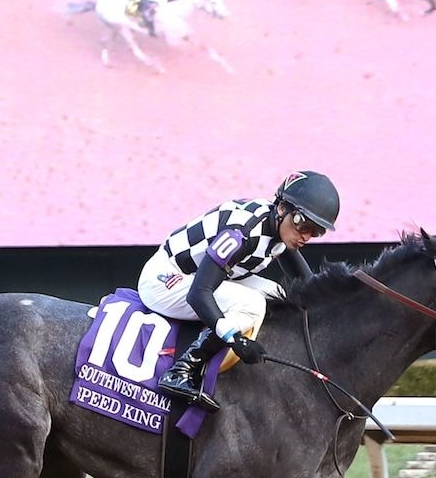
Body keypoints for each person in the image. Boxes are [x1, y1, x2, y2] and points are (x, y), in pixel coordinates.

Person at [137, 171, 340, 411]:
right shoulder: (243, 232)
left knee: (278, 293)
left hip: (202, 277)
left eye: (316, 231)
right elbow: (199, 293)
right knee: (252, 304)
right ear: (282, 207)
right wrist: (235, 340)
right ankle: (183, 369)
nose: (306, 236)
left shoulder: (279, 228)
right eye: (302, 224)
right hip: (166, 279)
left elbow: (308, 286)